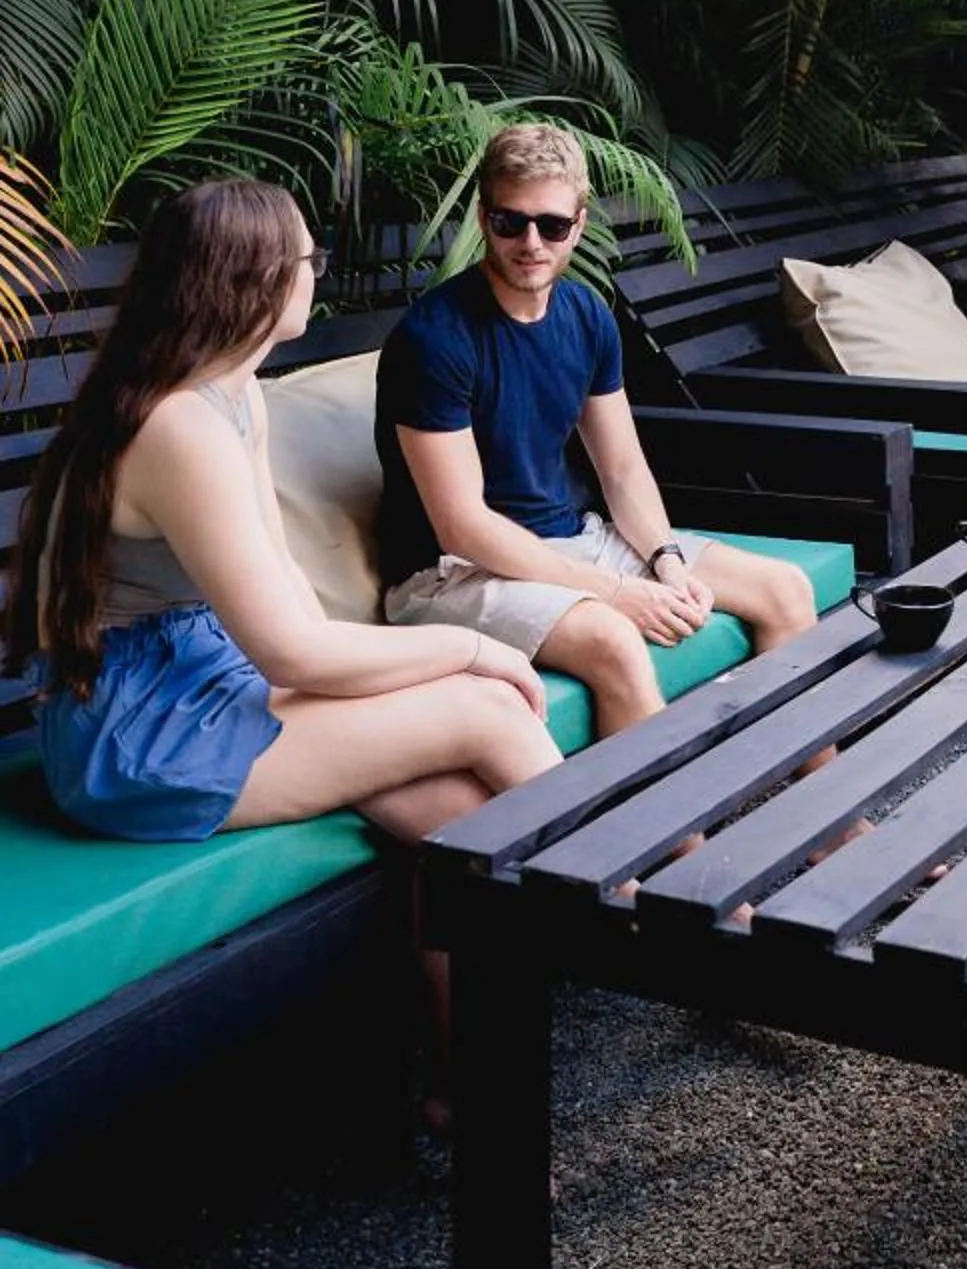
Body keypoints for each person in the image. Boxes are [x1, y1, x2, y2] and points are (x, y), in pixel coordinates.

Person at [3, 180, 560, 848]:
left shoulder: (237, 399)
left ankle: (566, 936)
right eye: (310, 262)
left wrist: (403, 673)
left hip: (208, 674)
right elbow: (293, 654)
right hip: (140, 732)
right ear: (258, 280)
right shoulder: (179, 429)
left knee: (456, 816)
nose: (315, 277)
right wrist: (472, 648)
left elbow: (290, 588)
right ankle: (630, 921)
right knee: (489, 711)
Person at [374, 124, 817, 738]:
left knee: (785, 590)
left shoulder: (586, 315)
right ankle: (676, 838)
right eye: (511, 222)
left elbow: (622, 469)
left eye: (551, 225)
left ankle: (823, 818)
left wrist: (663, 558)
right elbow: (463, 526)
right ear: (483, 218)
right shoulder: (436, 338)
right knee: (614, 640)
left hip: (569, 541)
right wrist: (611, 592)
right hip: (451, 573)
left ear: (578, 225)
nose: (531, 242)